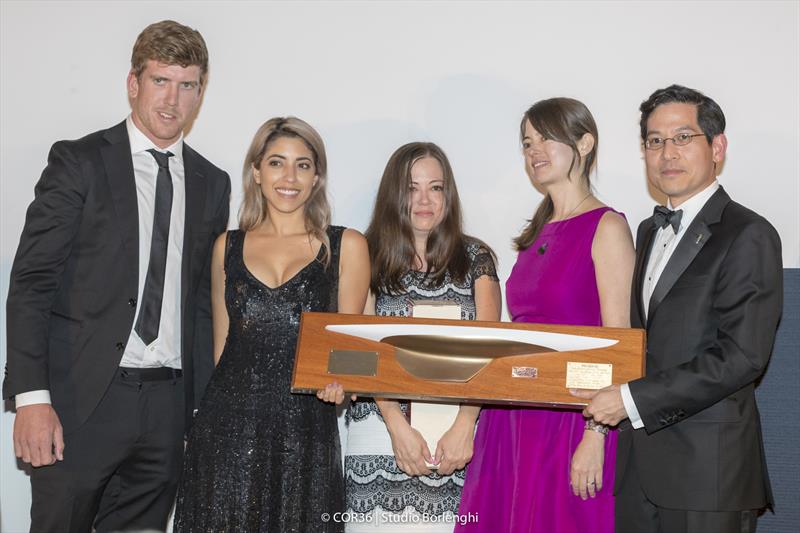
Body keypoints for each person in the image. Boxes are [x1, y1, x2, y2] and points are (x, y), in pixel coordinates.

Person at [3, 20, 230, 532]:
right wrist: (32, 399)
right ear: (133, 83)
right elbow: (32, 283)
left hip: (168, 408)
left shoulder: (212, 183)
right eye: (160, 81)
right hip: (81, 404)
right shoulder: (79, 162)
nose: (172, 100)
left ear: (200, 92)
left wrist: (200, 414)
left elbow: (199, 306)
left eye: (187, 85)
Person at [575, 85, 782, 533]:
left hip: (708, 475)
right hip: (638, 471)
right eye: (654, 141)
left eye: (683, 137)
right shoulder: (648, 230)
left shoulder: (749, 233)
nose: (667, 152)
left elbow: (742, 356)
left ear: (717, 146)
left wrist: (630, 400)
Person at [173, 116, 370, 531]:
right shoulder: (226, 247)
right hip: (226, 433)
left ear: (317, 177)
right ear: (256, 172)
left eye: (303, 165)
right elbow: (221, 348)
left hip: (306, 436)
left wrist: (344, 386)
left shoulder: (345, 245)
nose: (290, 177)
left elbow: (351, 351)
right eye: (277, 162)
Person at [457, 98, 635, 532]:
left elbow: (620, 346)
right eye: (527, 142)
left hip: (574, 421)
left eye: (547, 138)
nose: (534, 150)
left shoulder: (607, 227)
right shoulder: (535, 233)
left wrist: (596, 435)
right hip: (513, 422)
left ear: (585, 143)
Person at [342, 142, 502, 531]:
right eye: (412, 188)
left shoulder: (476, 257)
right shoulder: (367, 254)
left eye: (436, 187)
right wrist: (397, 427)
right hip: (380, 437)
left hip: (458, 443)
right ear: (394, 194)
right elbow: (361, 353)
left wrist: (466, 425)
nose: (425, 200)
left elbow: (491, 350)